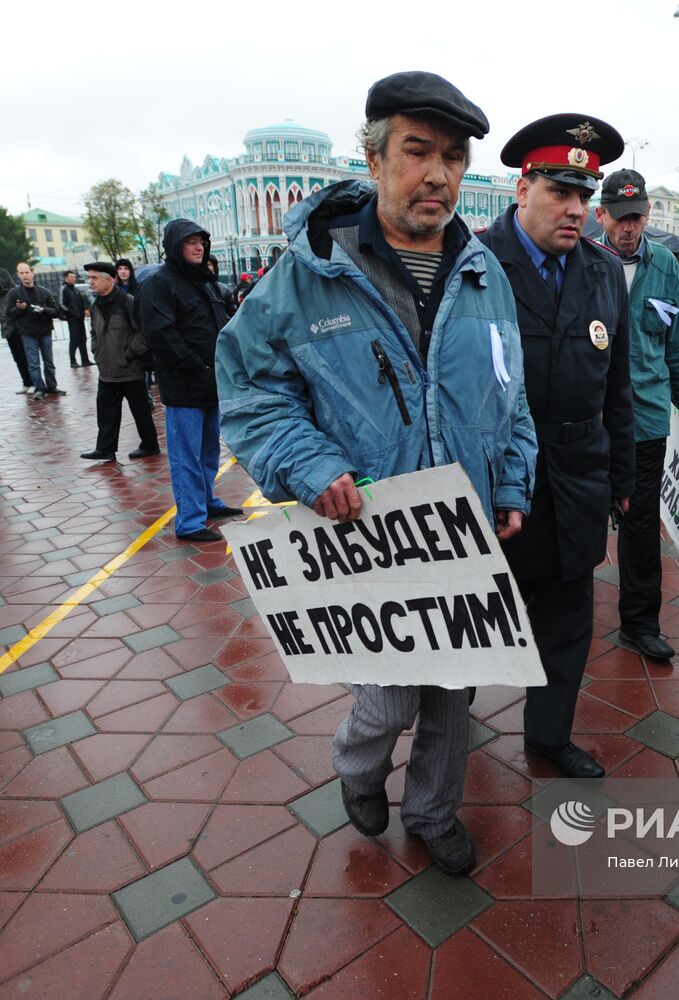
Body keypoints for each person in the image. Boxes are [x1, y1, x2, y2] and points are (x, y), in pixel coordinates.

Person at [217, 71, 535, 875]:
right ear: (373, 157)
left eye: (454, 157)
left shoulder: (482, 271)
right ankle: (358, 770)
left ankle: (432, 811)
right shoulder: (309, 272)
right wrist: (311, 463)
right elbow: (250, 391)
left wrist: (510, 484)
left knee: (455, 695)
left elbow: (512, 396)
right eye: (417, 151)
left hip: (459, 530)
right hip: (366, 534)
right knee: (389, 697)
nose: (438, 174)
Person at [477, 115, 634, 779]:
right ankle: (448, 740)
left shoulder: (601, 270)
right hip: (493, 474)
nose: (576, 210)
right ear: (522, 187)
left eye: (585, 195)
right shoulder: (477, 262)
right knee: (475, 614)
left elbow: (617, 385)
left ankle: (548, 735)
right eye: (560, 191)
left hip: (575, 474)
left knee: (569, 621)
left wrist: (621, 478)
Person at [595, 168, 679, 663]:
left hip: (649, 419)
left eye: (636, 217)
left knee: (639, 528)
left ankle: (640, 624)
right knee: (580, 520)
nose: (628, 227)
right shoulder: (584, 261)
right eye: (619, 218)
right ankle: (558, 622)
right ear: (602, 215)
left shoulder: (666, 268)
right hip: (590, 420)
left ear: (648, 216)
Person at [138, 221, 243, 541]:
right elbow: (160, 333)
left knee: (208, 452)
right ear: (175, 246)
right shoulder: (161, 283)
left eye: (201, 242)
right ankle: (189, 520)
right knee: (187, 456)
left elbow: (223, 324)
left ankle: (207, 502)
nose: (198, 247)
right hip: (185, 386)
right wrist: (196, 366)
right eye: (190, 242)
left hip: (211, 383)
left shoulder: (206, 282)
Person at [79, 262, 159, 463]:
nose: (91, 282)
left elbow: (143, 332)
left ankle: (150, 445)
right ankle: (105, 449)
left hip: (130, 369)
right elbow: (94, 333)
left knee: (140, 411)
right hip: (107, 370)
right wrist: (96, 351)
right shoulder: (96, 305)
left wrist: (129, 354)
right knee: (106, 413)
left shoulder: (128, 302)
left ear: (108, 279)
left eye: (94, 278)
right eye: (89, 278)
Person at [4, 262, 65, 400]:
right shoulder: (14, 293)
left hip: (45, 331)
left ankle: (52, 386)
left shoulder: (44, 291)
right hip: (27, 333)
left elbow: (56, 311)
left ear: (32, 273)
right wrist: (20, 308)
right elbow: (10, 313)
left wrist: (44, 310)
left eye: (27, 272)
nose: (25, 276)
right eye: (21, 273)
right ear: (18, 275)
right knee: (33, 364)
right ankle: (39, 388)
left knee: (49, 361)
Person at [0, 268, 33, 394]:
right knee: (18, 358)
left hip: (21, 328)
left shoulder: (15, 292)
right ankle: (26, 382)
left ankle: (34, 382)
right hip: (8, 330)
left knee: (28, 357)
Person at [60, 270, 92, 367]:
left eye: (74, 277)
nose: (73, 279)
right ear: (66, 278)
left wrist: (85, 309)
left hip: (80, 318)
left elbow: (80, 301)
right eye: (71, 277)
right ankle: (72, 361)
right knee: (74, 340)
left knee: (83, 338)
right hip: (73, 319)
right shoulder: (64, 289)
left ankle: (85, 360)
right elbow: (61, 303)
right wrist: (71, 313)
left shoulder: (75, 289)